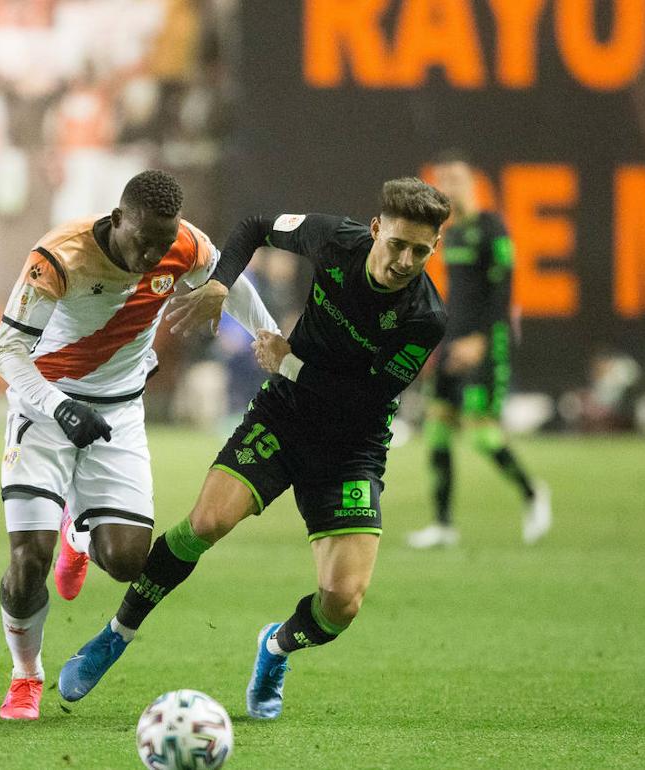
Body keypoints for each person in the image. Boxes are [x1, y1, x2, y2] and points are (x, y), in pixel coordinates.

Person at [57, 177, 451, 720]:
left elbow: (366, 399)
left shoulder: (425, 318)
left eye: (420, 252)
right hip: (285, 415)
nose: (404, 260)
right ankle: (116, 634)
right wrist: (220, 284)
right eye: (397, 244)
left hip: (351, 448)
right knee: (207, 523)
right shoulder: (336, 238)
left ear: (435, 250)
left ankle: (275, 648)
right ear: (377, 229)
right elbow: (254, 226)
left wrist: (287, 362)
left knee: (342, 603)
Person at [0, 169, 278, 720]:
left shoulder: (182, 242)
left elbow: (228, 281)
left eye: (163, 244)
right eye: (143, 240)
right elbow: (6, 352)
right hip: (44, 409)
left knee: (126, 562)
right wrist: (58, 406)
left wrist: (266, 335)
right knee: (28, 563)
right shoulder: (58, 257)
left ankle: (79, 528)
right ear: (117, 218)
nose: (153, 255)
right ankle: (25, 675)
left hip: (118, 412)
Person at [406, 152, 550, 549]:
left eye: (455, 179)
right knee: (437, 429)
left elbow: (502, 294)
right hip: (454, 340)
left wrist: (481, 340)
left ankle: (532, 494)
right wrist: (442, 340)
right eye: (442, 180)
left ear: (472, 183)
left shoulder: (493, 229)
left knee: (482, 434)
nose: (448, 187)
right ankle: (442, 524)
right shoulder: (450, 233)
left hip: (488, 341)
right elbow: (459, 297)